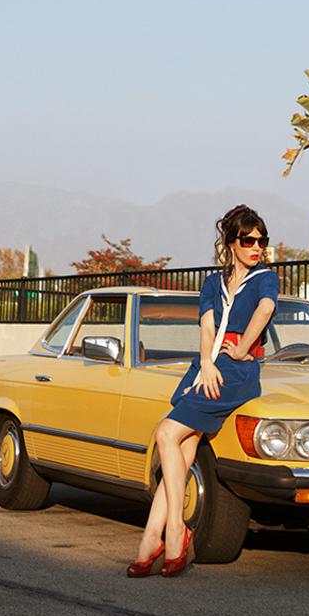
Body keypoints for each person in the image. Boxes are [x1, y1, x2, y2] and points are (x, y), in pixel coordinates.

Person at [127, 204, 279, 578]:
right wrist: (206, 364)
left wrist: (243, 347)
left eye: (261, 240)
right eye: (248, 240)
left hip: (238, 371)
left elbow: (265, 309)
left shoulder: (265, 278)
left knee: (166, 432)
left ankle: (175, 530)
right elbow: (207, 327)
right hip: (207, 367)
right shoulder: (213, 282)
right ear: (231, 243)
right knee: (181, 447)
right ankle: (151, 541)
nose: (256, 247)